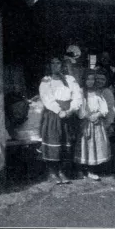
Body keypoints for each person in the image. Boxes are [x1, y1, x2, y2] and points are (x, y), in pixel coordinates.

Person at [39, 56, 82, 184]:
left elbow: (77, 96)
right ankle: (52, 172)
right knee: (54, 141)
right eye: (53, 63)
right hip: (53, 114)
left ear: (62, 65)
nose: (55, 66)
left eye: (58, 63)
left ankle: (62, 171)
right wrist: (59, 110)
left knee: (66, 142)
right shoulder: (46, 81)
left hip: (68, 114)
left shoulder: (70, 79)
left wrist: (71, 110)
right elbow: (47, 98)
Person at [74, 69, 111, 181]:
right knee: (84, 146)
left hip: (96, 123)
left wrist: (98, 114)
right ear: (84, 80)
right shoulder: (81, 92)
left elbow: (104, 108)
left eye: (92, 79)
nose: (90, 82)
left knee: (95, 146)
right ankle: (80, 169)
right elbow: (79, 109)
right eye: (88, 79)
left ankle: (91, 169)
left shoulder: (98, 92)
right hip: (85, 122)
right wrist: (87, 116)